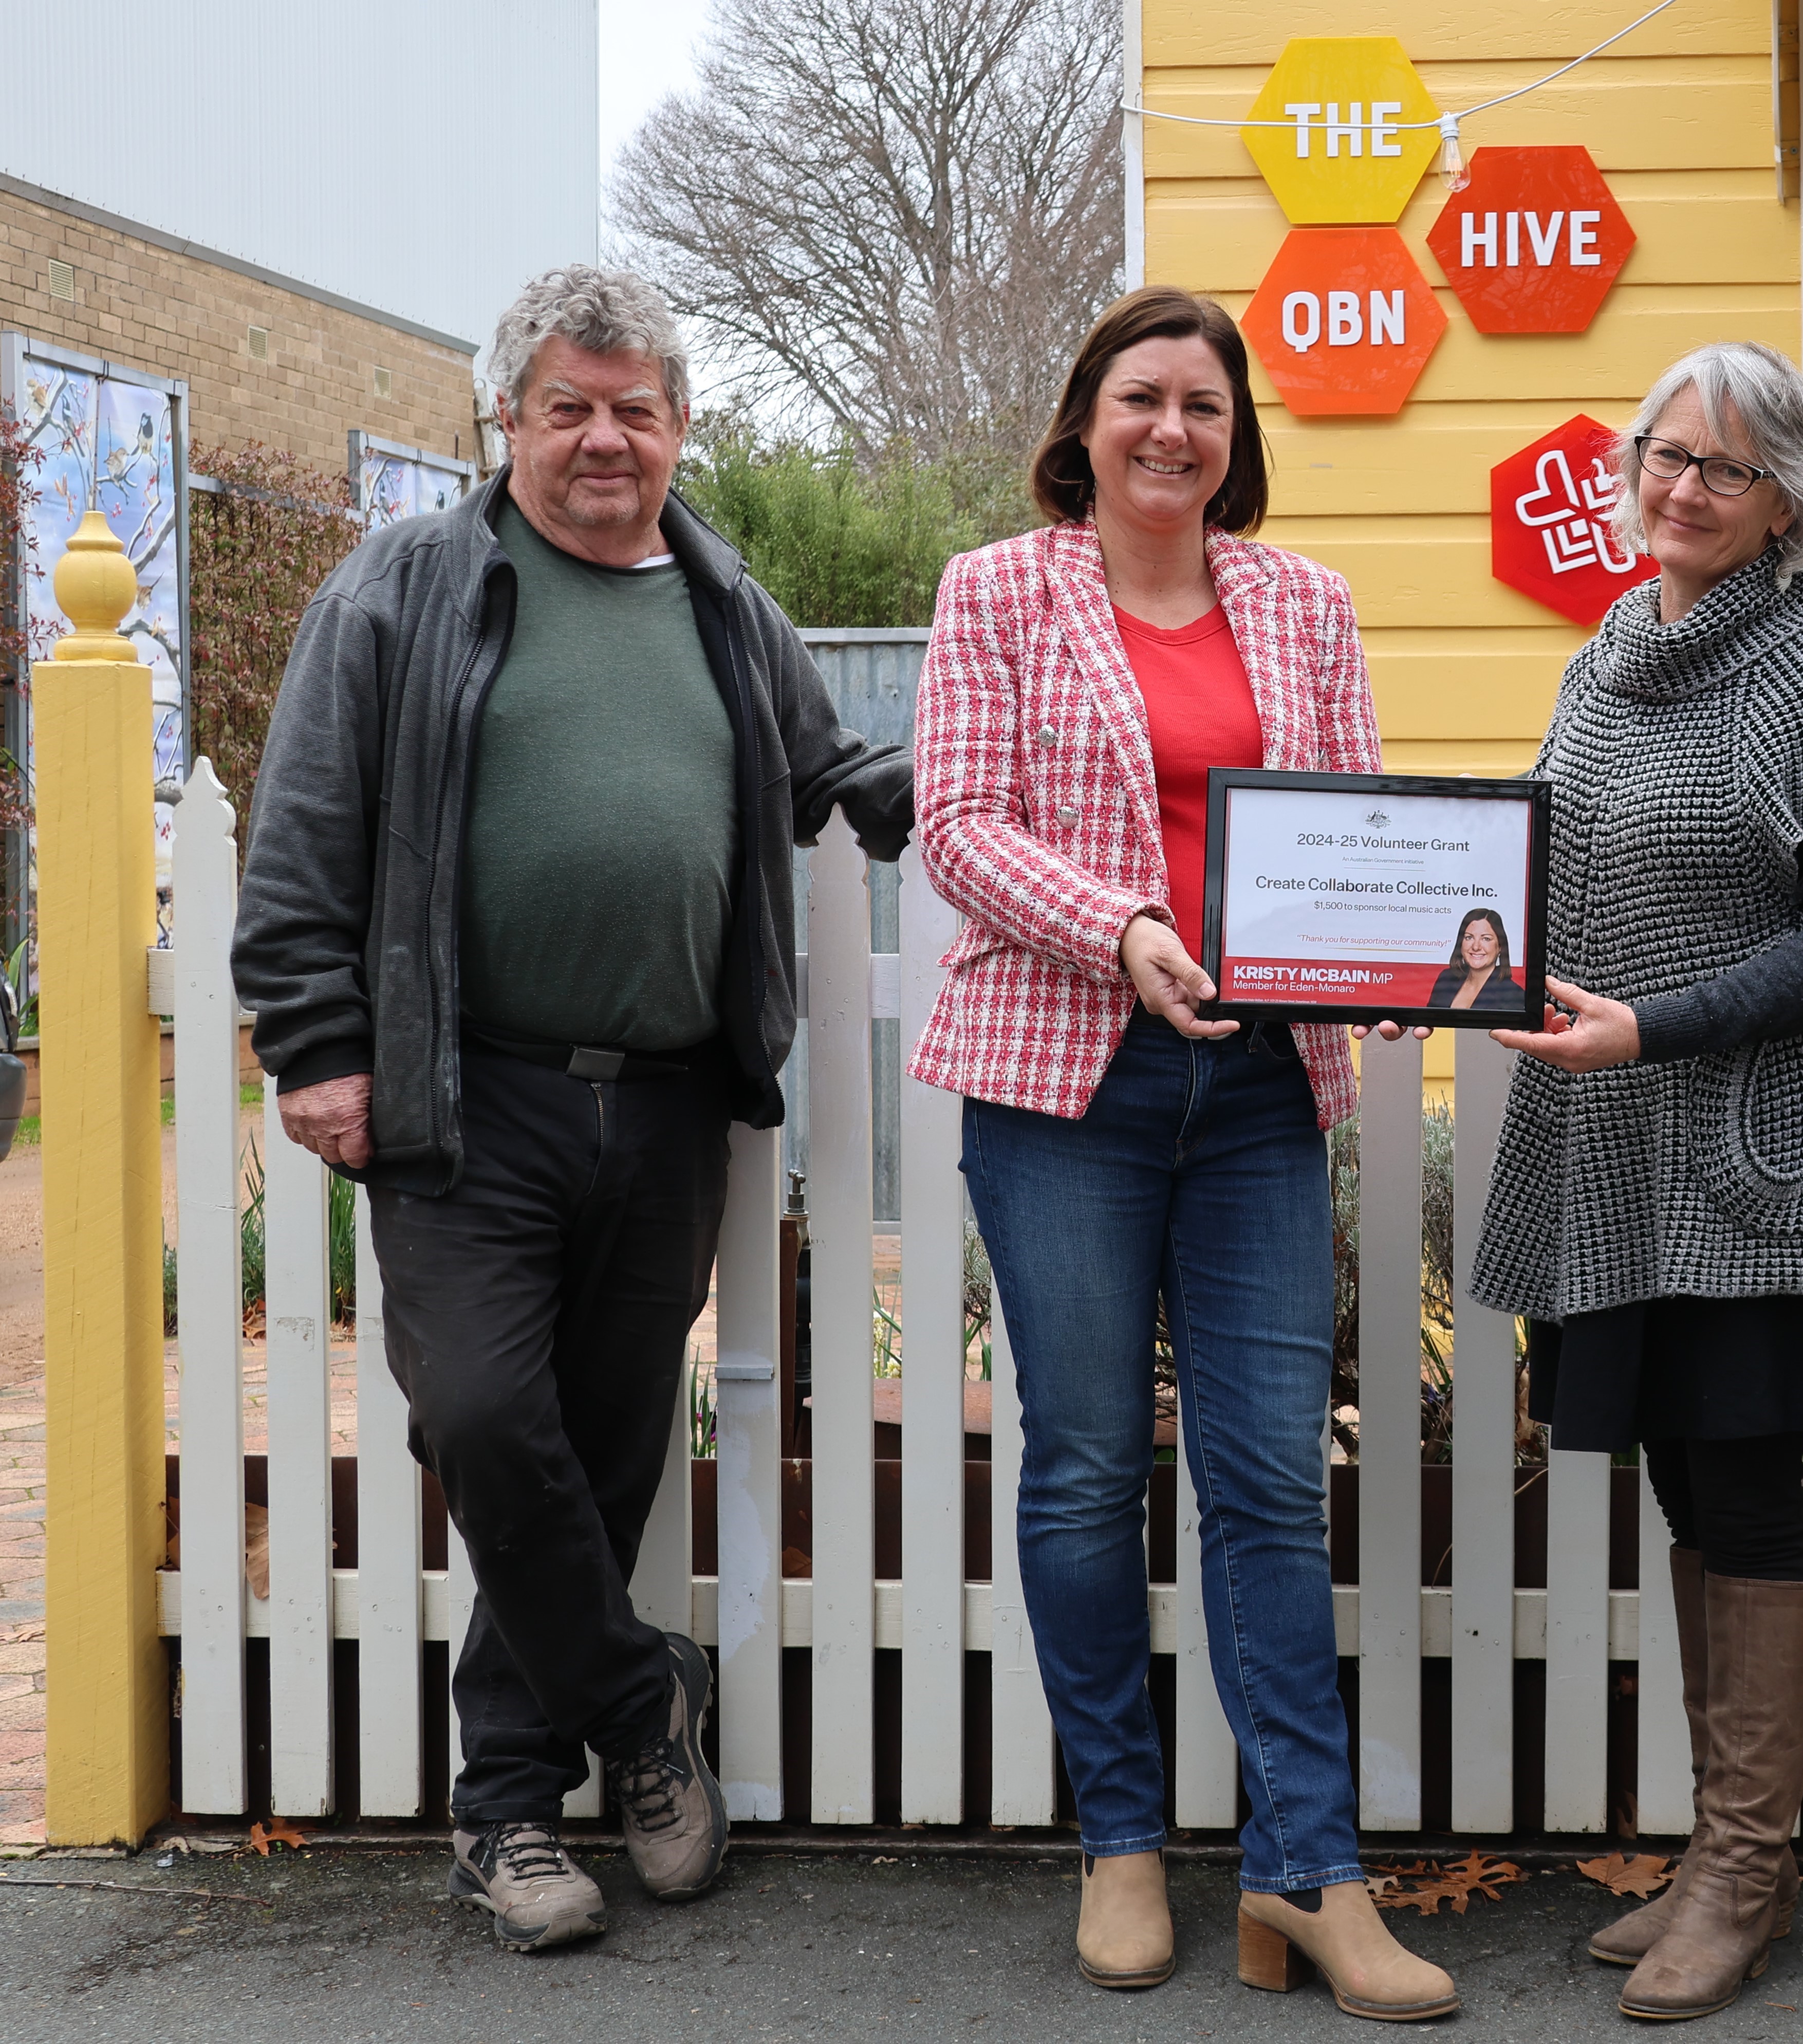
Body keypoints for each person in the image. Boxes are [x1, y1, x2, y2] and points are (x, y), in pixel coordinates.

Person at [232, 265, 913, 1950]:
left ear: (678, 427)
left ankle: (512, 1814)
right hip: (472, 1101)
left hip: (672, 1105)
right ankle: (639, 1706)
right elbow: (301, 834)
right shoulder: (404, 590)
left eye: (637, 407)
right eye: (570, 405)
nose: (605, 437)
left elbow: (838, 775)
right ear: (510, 422)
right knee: (478, 1415)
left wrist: (989, 782)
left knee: (599, 1462)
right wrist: (318, 1041)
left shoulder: (724, 601)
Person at [908, 285, 1456, 2022]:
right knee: (1079, 1464)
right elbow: (958, 828)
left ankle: (1307, 1868)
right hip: (1066, 1079)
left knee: (1270, 1481)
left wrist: (1383, 962)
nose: (1171, 429)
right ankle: (1123, 1838)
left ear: (1237, 438)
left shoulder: (1304, 601)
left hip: (1256, 1100)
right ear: (1085, 422)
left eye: (1203, 405)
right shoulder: (996, 588)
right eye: (1141, 397)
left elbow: (1349, 811)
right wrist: (1125, 924)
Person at [1471, 342, 1803, 2024]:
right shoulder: (1606, 651)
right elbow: (1533, 861)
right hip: (1603, 1152)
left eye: (1722, 470)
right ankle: (1733, 1848)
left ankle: (1743, 1868)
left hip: (1748, 1159)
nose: (1679, 488)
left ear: (1788, 503)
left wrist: (1656, 1025)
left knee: (1736, 1489)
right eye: (1662, 453)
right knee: (1680, 1485)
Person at [1425, 907, 1527, 1011]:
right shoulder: (1446, 979)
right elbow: (1429, 1020)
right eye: (1469, 937)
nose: (1476, 947)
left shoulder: (1514, 995)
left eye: (1486, 939)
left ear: (1500, 946)